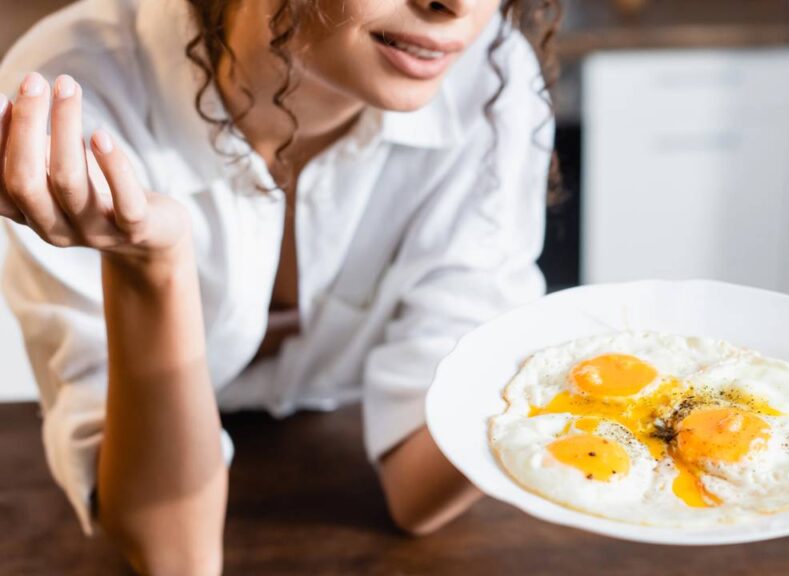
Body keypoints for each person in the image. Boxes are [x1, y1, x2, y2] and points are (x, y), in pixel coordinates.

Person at [0, 0, 560, 572]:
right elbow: (173, 554)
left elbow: (417, 494)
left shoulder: (486, 78)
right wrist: (150, 265)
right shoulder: (74, 100)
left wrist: (576, 380)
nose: (460, 7)